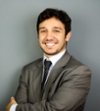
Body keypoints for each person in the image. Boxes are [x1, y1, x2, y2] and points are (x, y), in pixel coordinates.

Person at [6, 8, 91, 111]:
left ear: (67, 36)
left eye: (56, 31)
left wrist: (14, 108)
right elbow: (21, 103)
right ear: (38, 35)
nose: (48, 37)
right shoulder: (28, 70)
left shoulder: (80, 71)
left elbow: (54, 109)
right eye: (43, 31)